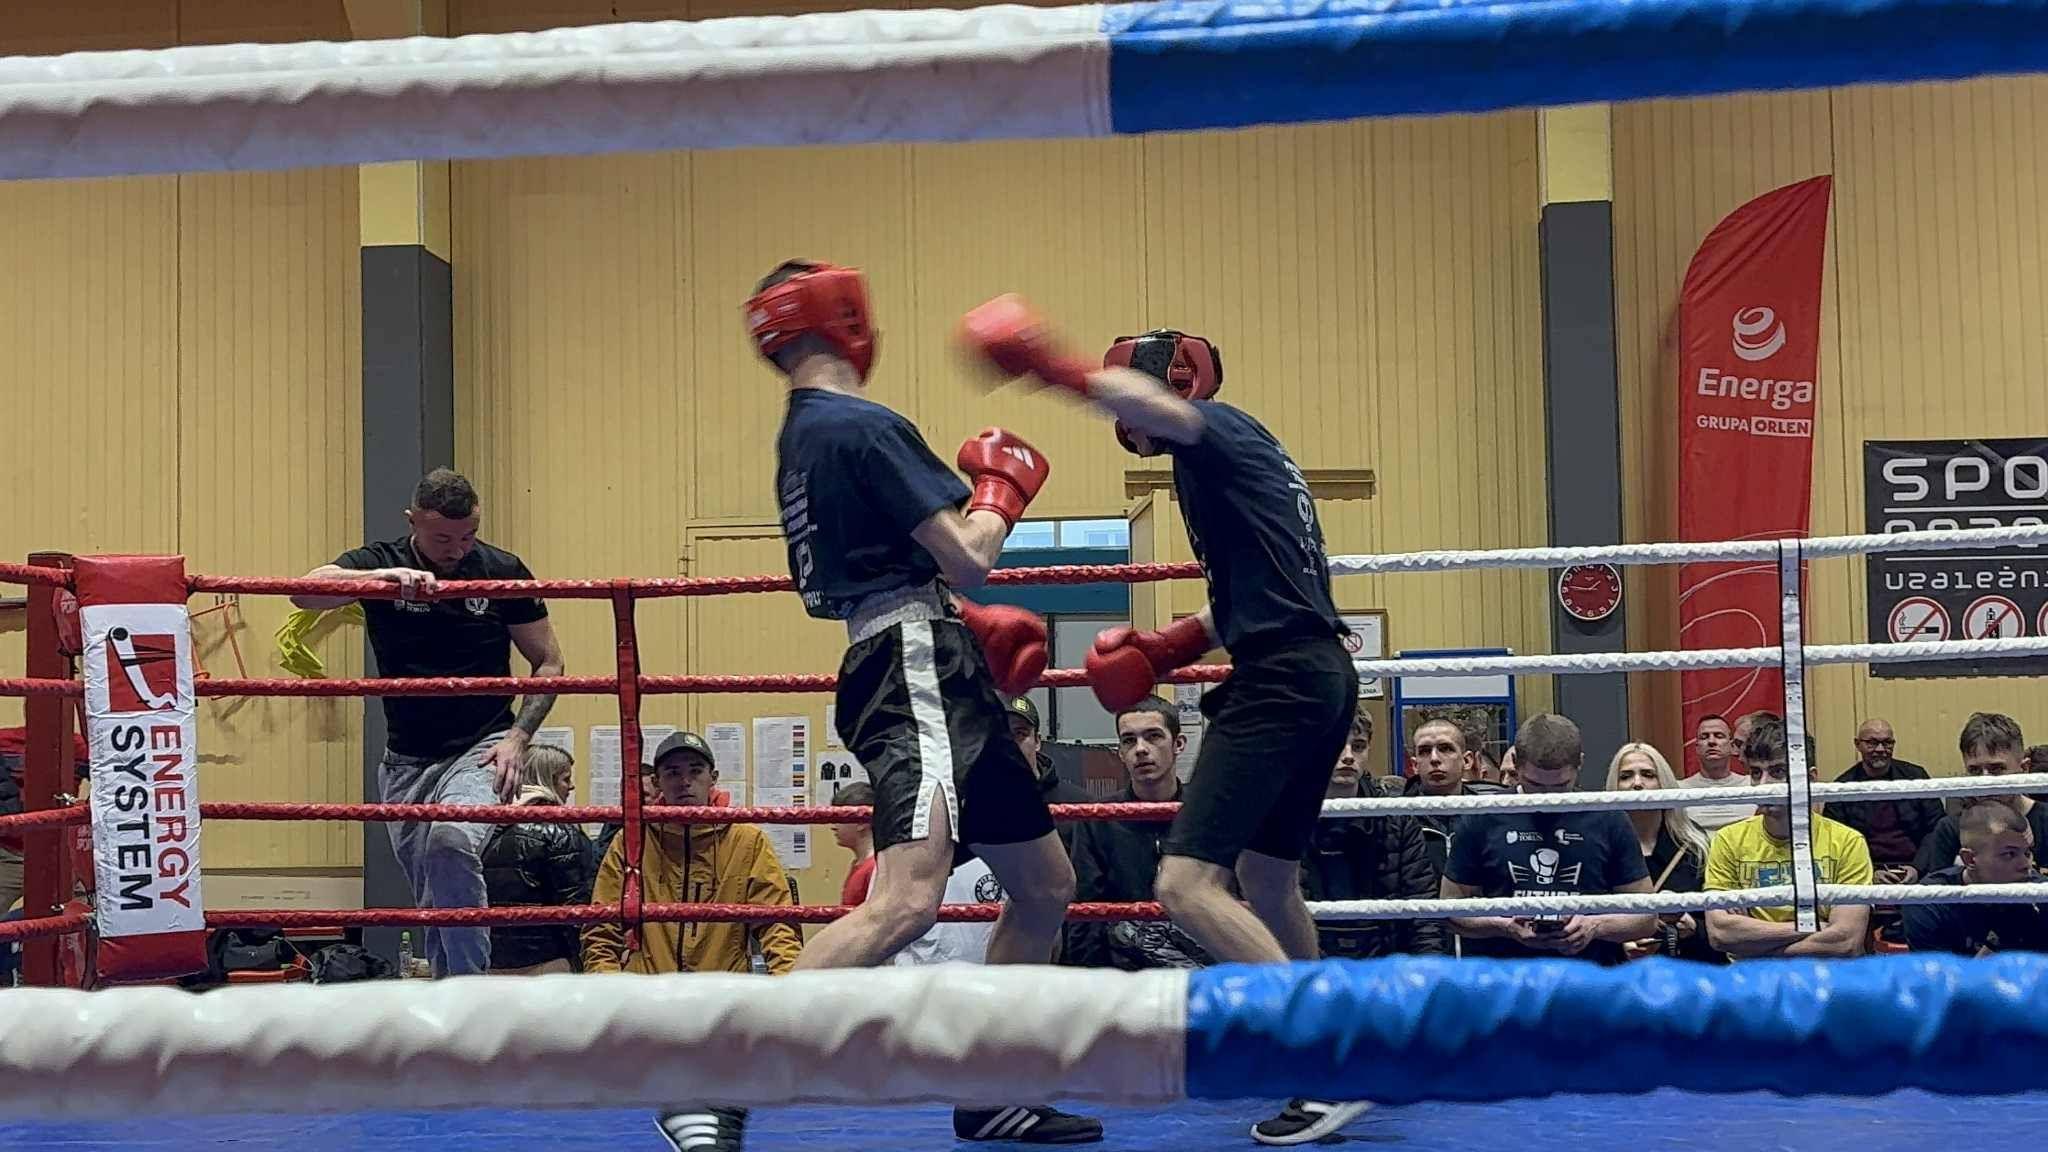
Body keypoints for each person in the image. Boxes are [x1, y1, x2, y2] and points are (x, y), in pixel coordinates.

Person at [959, 301, 1367, 1146]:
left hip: (1283, 677)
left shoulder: (1210, 429)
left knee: (1184, 885)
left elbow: (1160, 407)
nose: (1118, 416)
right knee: (1269, 880)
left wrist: (1051, 365)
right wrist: (1167, 649)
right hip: (1316, 668)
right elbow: (1245, 596)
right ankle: (1329, 1067)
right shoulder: (1246, 464)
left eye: (1123, 399)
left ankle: (1328, 1059)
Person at [753, 262, 1089, 1146]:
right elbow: (967, 555)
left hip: (917, 653)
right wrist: (1001, 492)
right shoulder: (861, 426)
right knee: (906, 901)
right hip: (913, 662)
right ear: (845, 317)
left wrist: (961, 625)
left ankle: (991, 1089)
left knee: (1045, 882)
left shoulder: (801, 439)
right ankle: (725, 1071)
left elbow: (859, 578)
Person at [291, 468, 565, 977]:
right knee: (432, 888)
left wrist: (518, 739)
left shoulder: (501, 569)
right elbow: (303, 593)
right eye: (442, 537)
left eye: (467, 536)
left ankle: (465, 992)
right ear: (411, 521)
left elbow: (549, 661)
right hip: (406, 759)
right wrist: (382, 581)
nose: (457, 549)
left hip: (481, 745)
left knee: (450, 842)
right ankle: (447, 995)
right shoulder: (382, 563)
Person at [583, 731, 802, 1152]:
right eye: (672, 773)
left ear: (713, 777)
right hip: (649, 1012)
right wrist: (606, 992)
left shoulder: (746, 839)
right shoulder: (632, 842)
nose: (684, 782)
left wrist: (791, 995)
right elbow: (601, 926)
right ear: (657, 782)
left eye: (694, 771)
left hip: (722, 1011)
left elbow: (777, 925)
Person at [1440, 715, 1658, 966]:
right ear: (1515, 764)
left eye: (1560, 786)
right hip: (1505, 984)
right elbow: (1449, 911)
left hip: (1589, 981)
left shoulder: (1608, 817)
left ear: (1580, 765)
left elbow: (1646, 917)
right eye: (1534, 784)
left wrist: (1594, 925)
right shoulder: (1483, 816)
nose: (1547, 797)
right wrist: (1504, 925)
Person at [1065, 697, 1215, 971]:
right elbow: (1085, 913)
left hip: (1204, 974)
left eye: (1153, 736)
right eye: (1129, 741)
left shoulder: (1209, 812)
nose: (1141, 749)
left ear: (1178, 744)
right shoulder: (1097, 819)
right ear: (1120, 752)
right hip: (1125, 980)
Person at [1702, 719, 1873, 959]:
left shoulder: (1846, 841)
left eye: (1777, 772)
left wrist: (1751, 940)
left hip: (1824, 980)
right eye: (1755, 772)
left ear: (1810, 779)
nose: (1763, 785)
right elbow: (1720, 934)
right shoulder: (1728, 840)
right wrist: (1819, 929)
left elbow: (1846, 941)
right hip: (1754, 983)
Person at [1302, 706, 1446, 958]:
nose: (1348, 756)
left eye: (1358, 746)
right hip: (1306, 962)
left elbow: (1422, 911)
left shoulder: (1395, 818)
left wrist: (1427, 979)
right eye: (1337, 744)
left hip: (1385, 969)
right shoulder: (1284, 816)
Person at [480, 744, 597, 975]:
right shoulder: (561, 829)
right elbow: (576, 908)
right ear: (548, 780)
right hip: (547, 964)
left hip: (492, 963)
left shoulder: (488, 826)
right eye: (565, 779)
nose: (571, 786)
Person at [1608, 743, 1718, 962]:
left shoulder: (1696, 845)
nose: (1637, 784)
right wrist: (1619, 940)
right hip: (1615, 976)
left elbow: (1719, 930)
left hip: (1685, 971)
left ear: (1664, 783)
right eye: (1626, 776)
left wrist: (1692, 927)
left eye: (1648, 775)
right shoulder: (1599, 847)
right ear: (1614, 786)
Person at [1902, 801, 2048, 955]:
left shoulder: (2041, 893)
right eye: (2009, 854)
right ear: (1970, 859)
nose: (2026, 865)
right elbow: (1940, 979)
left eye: (2027, 853)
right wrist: (1998, 940)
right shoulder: (1929, 902)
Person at [1824, 718, 1942, 883]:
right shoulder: (1842, 788)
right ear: (1857, 744)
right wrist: (1870, 873)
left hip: (1918, 868)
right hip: (1864, 872)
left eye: (1887, 743)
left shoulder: (1916, 777)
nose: (1880, 749)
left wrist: (1917, 868)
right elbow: (1835, 842)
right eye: (1872, 743)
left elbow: (1937, 830)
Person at [1681, 714, 1756, 832]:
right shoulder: (1679, 789)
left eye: (1719, 736)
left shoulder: (1752, 784)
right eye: (1704, 737)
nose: (1711, 741)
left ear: (1732, 746)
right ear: (1696, 747)